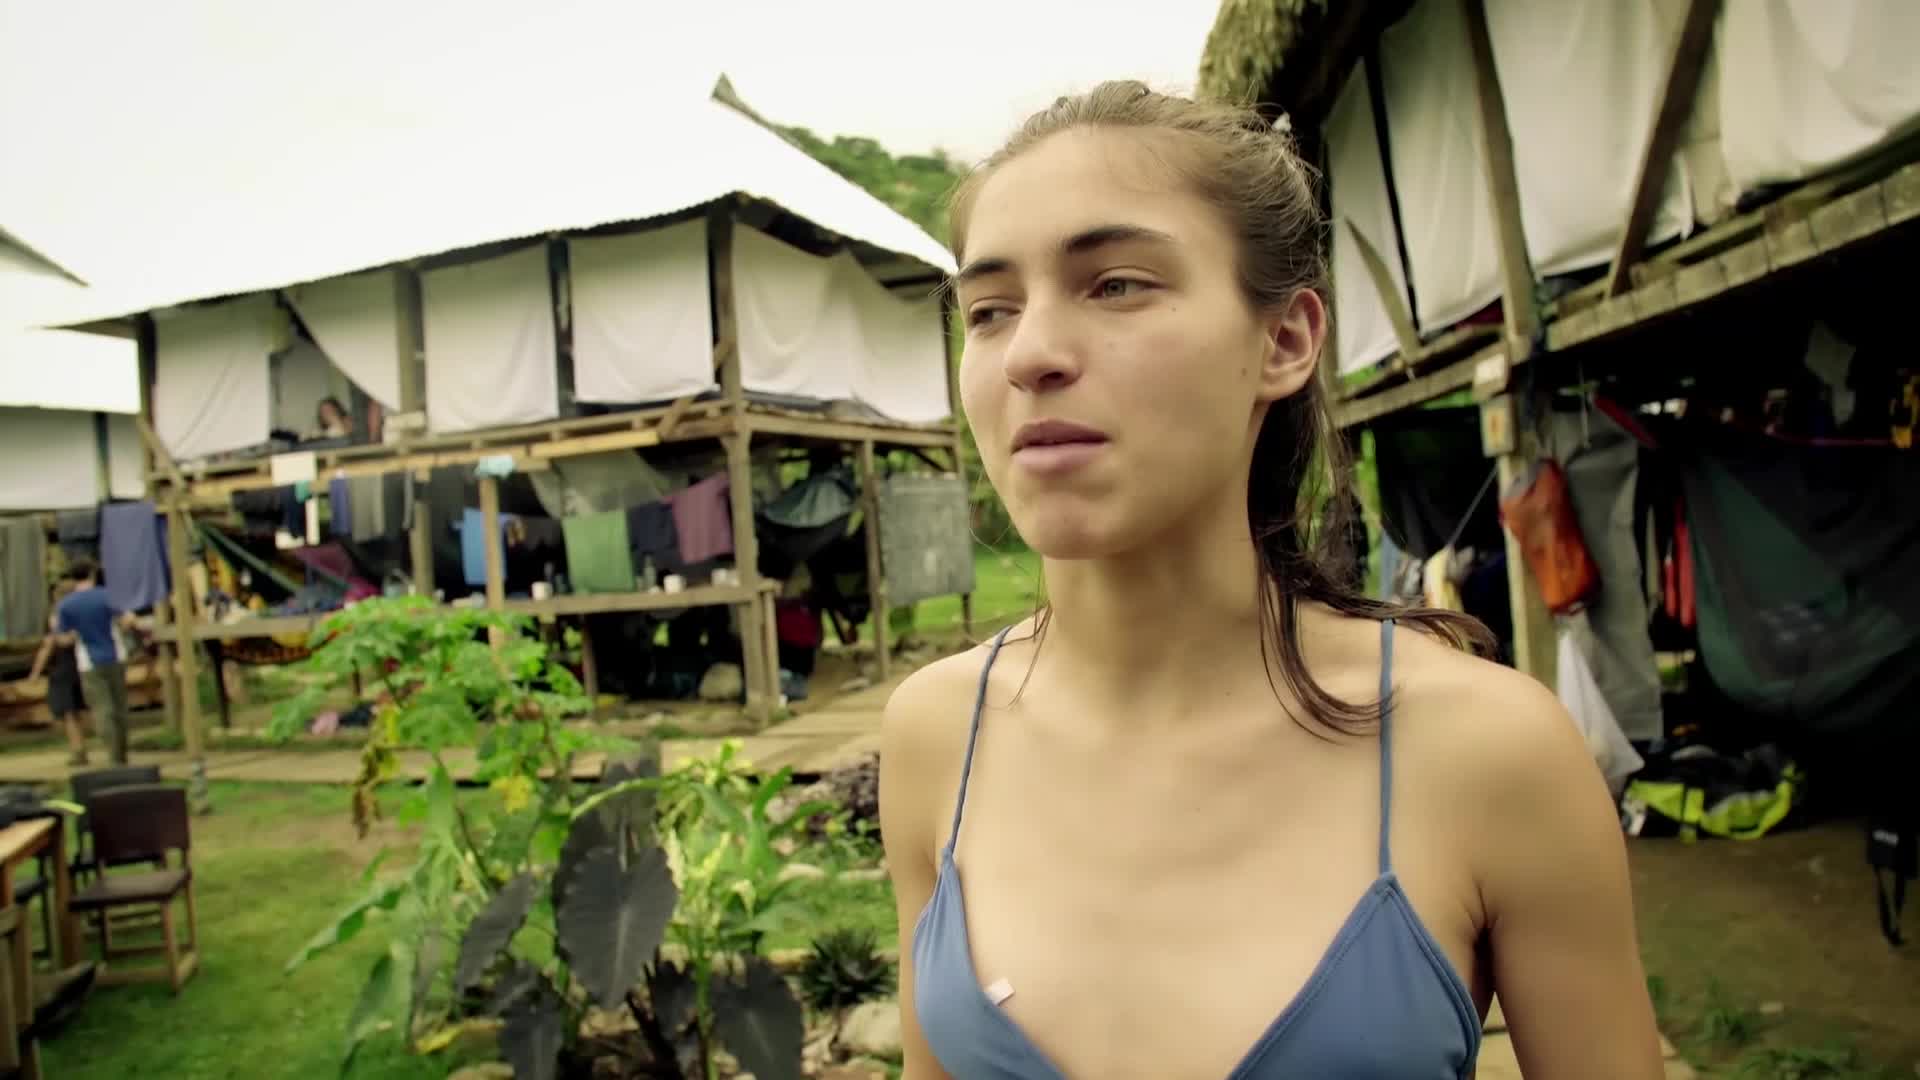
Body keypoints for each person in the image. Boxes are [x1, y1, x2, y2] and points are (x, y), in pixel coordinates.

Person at [881, 84, 1665, 1079]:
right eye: (989, 310)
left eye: (1117, 284)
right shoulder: (935, 736)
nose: (1029, 354)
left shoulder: (1487, 754)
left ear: (1285, 340)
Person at [52, 559, 137, 766]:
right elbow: (128, 620)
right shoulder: (107, 595)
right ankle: (122, 752)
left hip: (88, 662)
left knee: (102, 709)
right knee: (119, 707)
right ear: (92, 574)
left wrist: (73, 636)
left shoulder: (67, 605)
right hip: (116, 656)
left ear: (73, 578)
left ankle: (113, 755)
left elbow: (62, 638)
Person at [27, 582, 92, 766]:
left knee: (67, 711)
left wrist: (36, 672)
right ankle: (81, 746)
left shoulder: (59, 616)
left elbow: (50, 645)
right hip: (81, 664)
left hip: (62, 667)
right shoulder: (82, 614)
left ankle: (78, 750)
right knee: (78, 709)